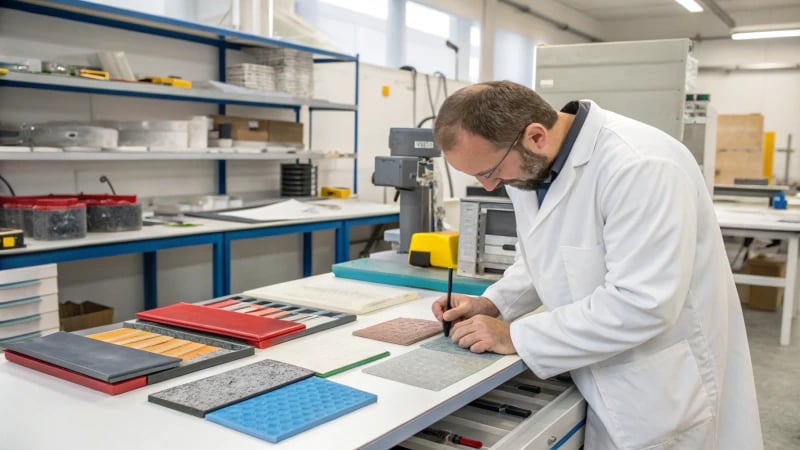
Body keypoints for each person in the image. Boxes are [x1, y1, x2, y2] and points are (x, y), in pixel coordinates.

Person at [431, 80, 763, 449]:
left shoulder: (640, 165)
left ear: (536, 136)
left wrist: (514, 335)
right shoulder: (528, 166)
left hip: (659, 388)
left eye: (489, 171)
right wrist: (492, 304)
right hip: (595, 372)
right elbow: (543, 257)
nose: (489, 186)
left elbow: (642, 303)